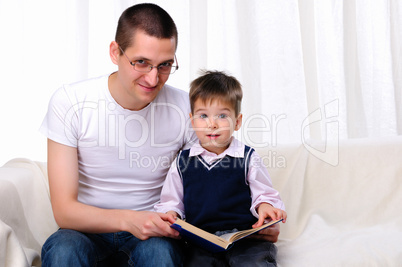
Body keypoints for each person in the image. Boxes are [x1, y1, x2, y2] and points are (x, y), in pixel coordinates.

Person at [40, 3, 280, 266]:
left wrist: (254, 222)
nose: (153, 79)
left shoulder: (186, 109)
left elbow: (213, 176)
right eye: (141, 62)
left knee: (159, 255)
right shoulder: (70, 102)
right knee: (63, 251)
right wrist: (130, 220)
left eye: (165, 65)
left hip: (154, 235)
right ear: (114, 52)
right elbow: (64, 211)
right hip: (84, 232)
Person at [155, 70, 287, 266]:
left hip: (244, 240)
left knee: (254, 262)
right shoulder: (182, 162)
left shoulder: (248, 157)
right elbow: (171, 203)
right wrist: (171, 215)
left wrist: (266, 207)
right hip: (200, 242)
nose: (212, 124)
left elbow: (264, 195)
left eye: (222, 115)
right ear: (192, 122)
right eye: (203, 116)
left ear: (237, 122)